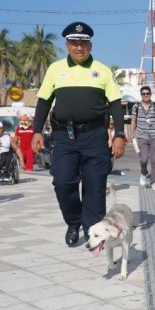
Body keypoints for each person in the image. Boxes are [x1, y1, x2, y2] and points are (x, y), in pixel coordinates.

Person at [31, 21, 126, 247]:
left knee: (94, 186)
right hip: (65, 137)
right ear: (67, 45)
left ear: (90, 45)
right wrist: (36, 131)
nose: (79, 47)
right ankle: (73, 222)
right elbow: (44, 101)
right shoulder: (55, 69)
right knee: (63, 182)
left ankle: (92, 233)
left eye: (83, 43)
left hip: (95, 136)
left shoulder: (102, 71)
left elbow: (115, 104)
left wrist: (120, 134)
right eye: (74, 43)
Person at [129, 86, 155, 191]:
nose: (146, 95)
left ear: (150, 94)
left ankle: (154, 182)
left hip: (154, 136)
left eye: (148, 93)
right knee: (144, 159)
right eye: (144, 94)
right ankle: (143, 173)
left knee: (154, 160)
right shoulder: (136, 106)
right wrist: (131, 134)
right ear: (141, 95)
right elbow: (133, 121)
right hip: (141, 136)